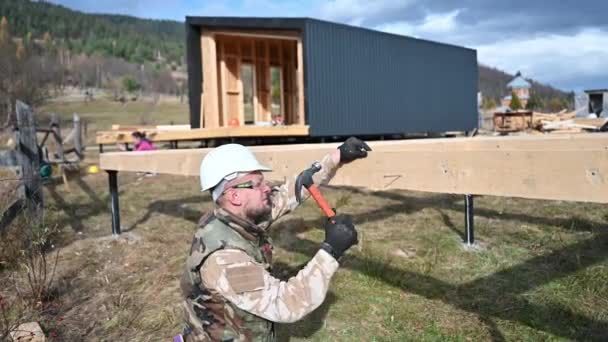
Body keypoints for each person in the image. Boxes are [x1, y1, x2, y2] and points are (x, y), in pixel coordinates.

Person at [179, 137, 372, 341]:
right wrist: (331, 251)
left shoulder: (232, 216)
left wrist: (337, 157)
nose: (267, 188)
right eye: (257, 184)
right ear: (234, 196)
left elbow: (290, 192)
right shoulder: (226, 260)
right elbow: (286, 303)